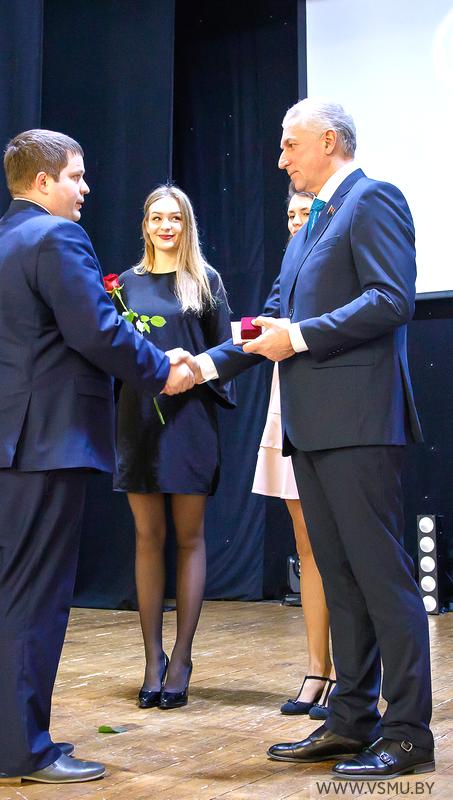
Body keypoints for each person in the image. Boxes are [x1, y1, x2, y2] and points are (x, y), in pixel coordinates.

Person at [192, 99, 434, 779]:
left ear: (328, 141)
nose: (280, 160)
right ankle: (351, 721)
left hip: (359, 425)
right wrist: (202, 366)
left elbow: (391, 299)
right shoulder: (310, 225)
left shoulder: (372, 200)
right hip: (314, 429)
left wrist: (298, 338)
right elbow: (269, 319)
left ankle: (408, 733)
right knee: (342, 580)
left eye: (288, 145)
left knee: (382, 580)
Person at [0, 130, 194, 785]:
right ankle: (25, 753)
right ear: (43, 181)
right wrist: (161, 371)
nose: (85, 188)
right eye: (76, 176)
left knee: (2, 597)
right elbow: (95, 329)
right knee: (34, 601)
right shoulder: (56, 237)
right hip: (43, 445)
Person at [113, 185, 235, 709]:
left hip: (190, 420)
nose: (167, 226)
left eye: (176, 218)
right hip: (138, 419)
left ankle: (182, 658)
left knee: (188, 538)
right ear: (145, 225)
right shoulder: (123, 285)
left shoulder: (205, 281)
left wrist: (190, 371)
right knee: (147, 537)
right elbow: (112, 352)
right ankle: (152, 659)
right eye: (157, 218)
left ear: (187, 225)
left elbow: (227, 352)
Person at [252, 185, 335, 721]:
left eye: (307, 212)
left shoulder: (336, 260)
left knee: (339, 550)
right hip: (288, 409)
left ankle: (351, 677)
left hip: (334, 412)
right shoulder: (288, 265)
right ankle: (316, 670)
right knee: (307, 548)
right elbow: (264, 323)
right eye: (290, 214)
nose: (297, 221)